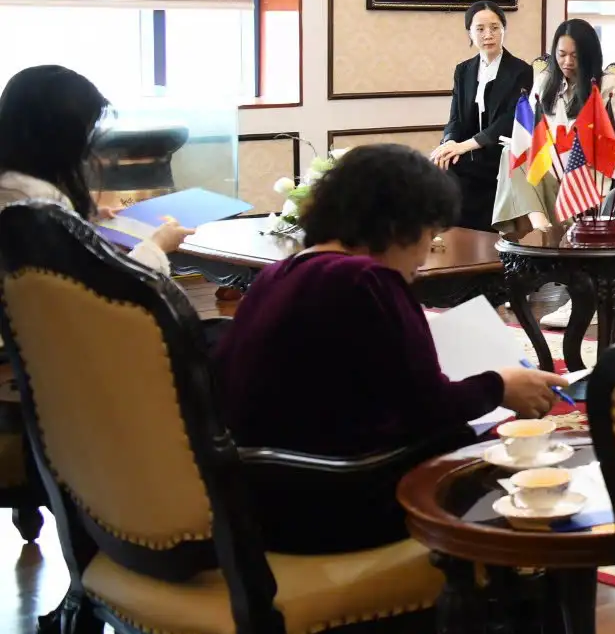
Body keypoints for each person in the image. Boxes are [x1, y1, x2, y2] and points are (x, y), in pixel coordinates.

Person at [217, 145, 559, 555]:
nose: (425, 253)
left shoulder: (275, 275)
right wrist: (499, 387)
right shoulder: (365, 280)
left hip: (260, 501)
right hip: (338, 500)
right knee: (519, 464)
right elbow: (427, 408)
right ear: (400, 224)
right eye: (430, 233)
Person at [0, 64, 187, 274]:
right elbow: (95, 285)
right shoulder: (38, 200)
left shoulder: (14, 185)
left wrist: (81, 220)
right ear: (62, 134)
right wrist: (157, 246)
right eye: (87, 130)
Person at [428, 5, 532, 230]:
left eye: (494, 28)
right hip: (469, 154)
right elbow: (455, 118)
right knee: (441, 166)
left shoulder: (521, 71)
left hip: (502, 155)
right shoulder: (463, 70)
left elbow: (509, 121)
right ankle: (453, 239)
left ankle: (485, 243)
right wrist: (449, 143)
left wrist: (465, 146)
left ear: (504, 29)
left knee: (466, 174)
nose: (488, 35)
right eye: (480, 29)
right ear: (470, 33)